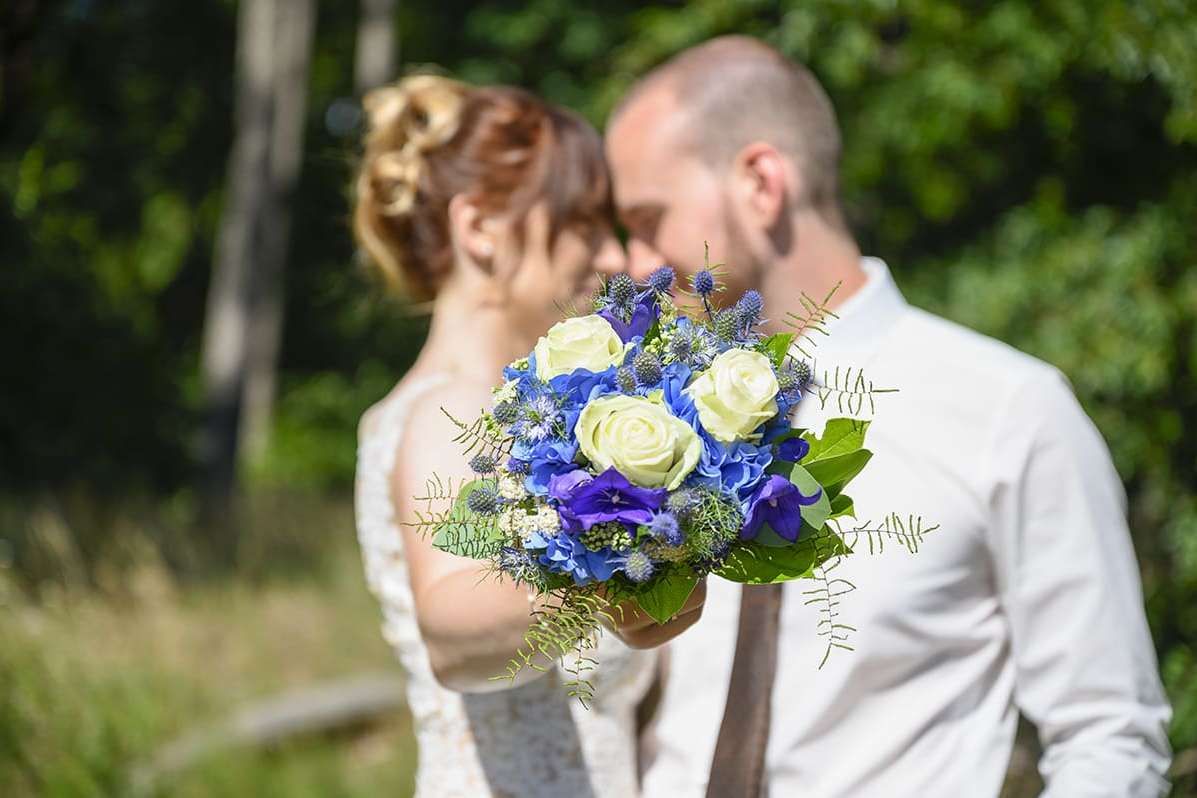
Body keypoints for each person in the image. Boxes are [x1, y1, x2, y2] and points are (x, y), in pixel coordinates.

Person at [605, 36, 1173, 797]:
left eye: (647, 220)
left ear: (760, 183)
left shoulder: (1008, 410)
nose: (629, 263)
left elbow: (1107, 734)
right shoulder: (643, 423)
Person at [352, 74, 668, 798]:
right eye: (583, 223)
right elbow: (454, 631)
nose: (615, 258)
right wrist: (625, 562)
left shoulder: (515, 415)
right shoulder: (450, 415)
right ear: (481, 230)